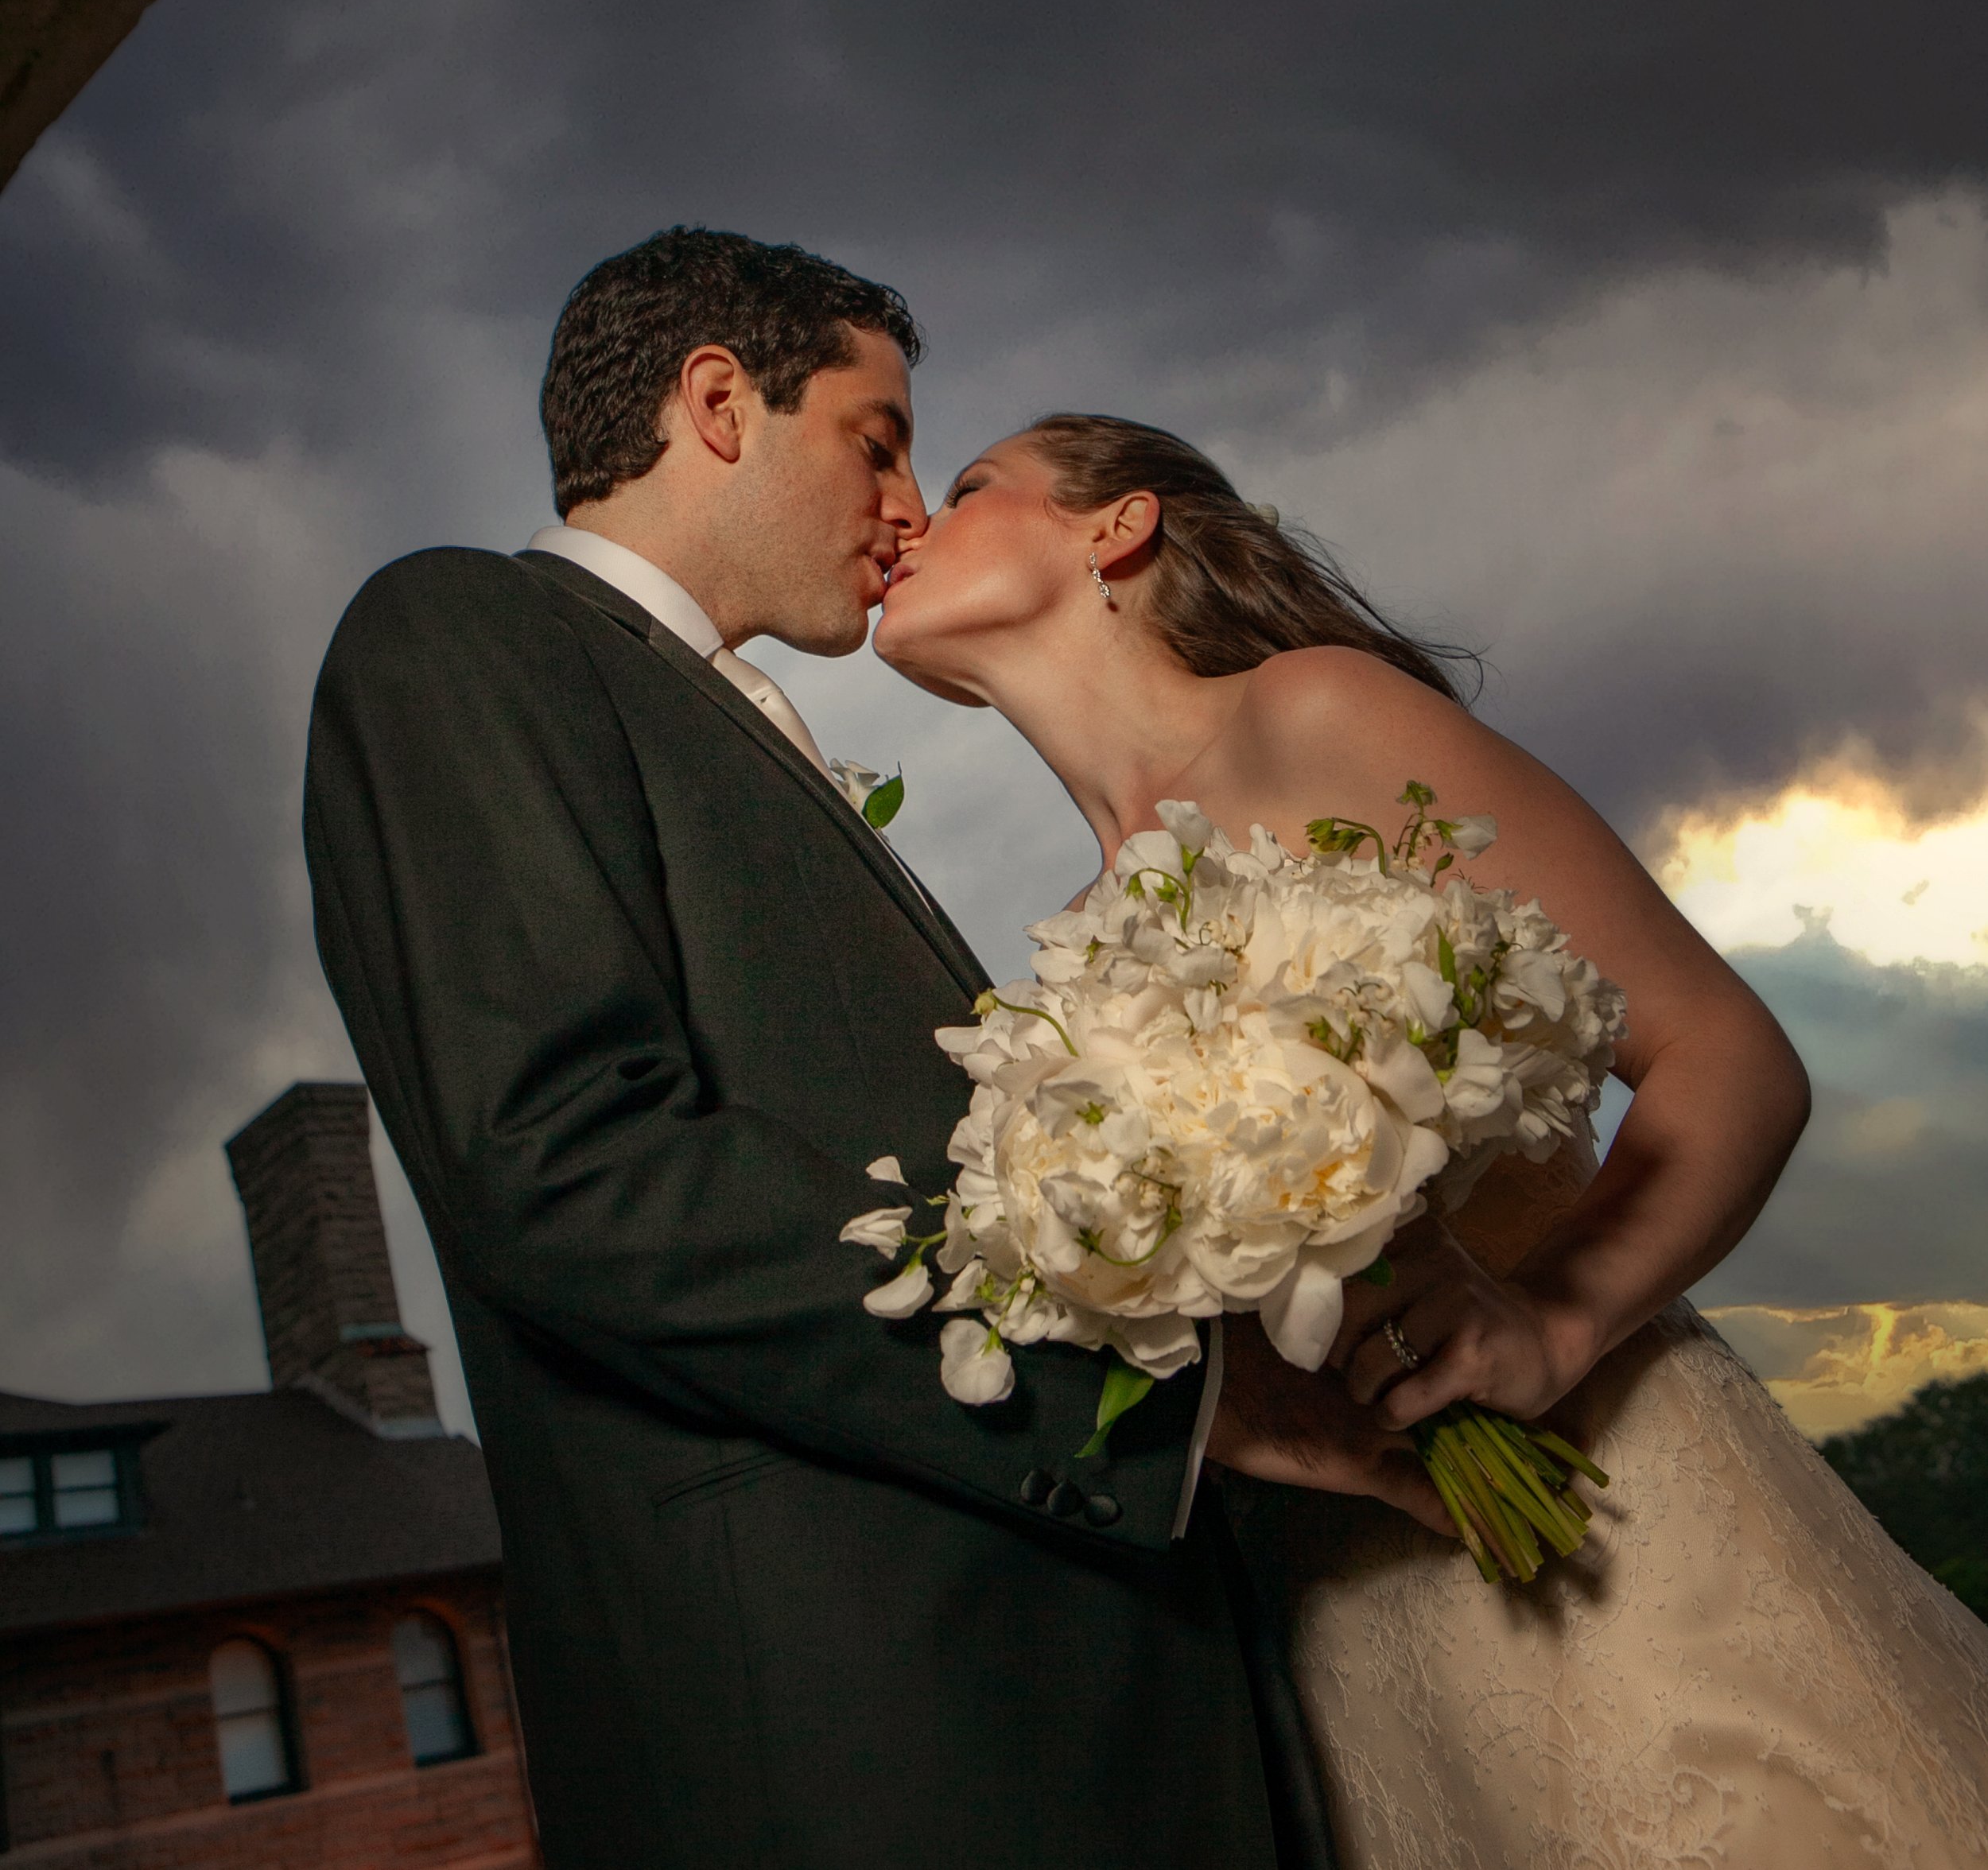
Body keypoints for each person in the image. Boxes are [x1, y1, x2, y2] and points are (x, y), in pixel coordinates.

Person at [304, 229, 1403, 1870]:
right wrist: (1154, 1406)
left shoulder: (725, 719)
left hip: (1062, 1713)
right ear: (718, 403)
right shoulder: (461, 632)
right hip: (864, 1746)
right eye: (873, 442)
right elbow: (566, 1167)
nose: (904, 509)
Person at [871, 409, 1988, 1870]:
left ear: (1115, 528)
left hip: (1618, 1535)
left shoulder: (1316, 717)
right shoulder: (1069, 972)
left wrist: (1555, 1314)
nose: (904, 517)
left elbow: (1730, 1056)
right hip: (1359, 1641)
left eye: (962, 485)